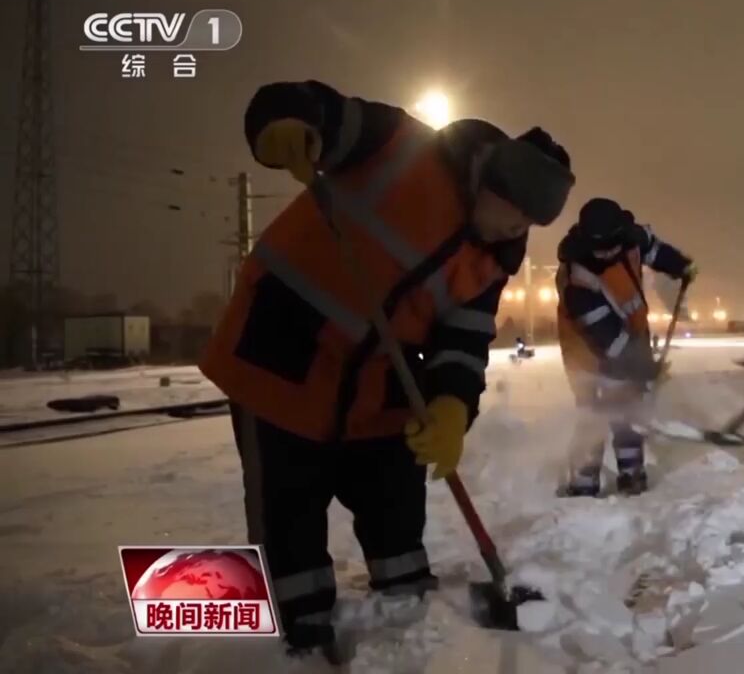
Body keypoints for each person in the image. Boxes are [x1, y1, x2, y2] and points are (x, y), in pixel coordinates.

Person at [199, 80, 574, 658]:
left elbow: (464, 343)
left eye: (529, 225)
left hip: (377, 383)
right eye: (514, 215)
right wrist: (289, 123)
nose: (516, 231)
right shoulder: (400, 147)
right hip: (279, 360)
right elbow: (316, 110)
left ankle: (408, 615)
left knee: (395, 499)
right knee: (288, 513)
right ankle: (300, 638)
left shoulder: (490, 260)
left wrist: (451, 406)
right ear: (490, 183)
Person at [555, 197, 695, 497]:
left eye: (611, 246)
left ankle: (632, 475)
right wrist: (645, 367)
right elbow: (608, 340)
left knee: (628, 409)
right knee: (592, 416)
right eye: (599, 249)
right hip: (587, 355)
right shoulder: (578, 280)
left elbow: (654, 249)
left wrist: (680, 266)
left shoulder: (632, 238)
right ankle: (583, 484)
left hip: (630, 338)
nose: (606, 253)